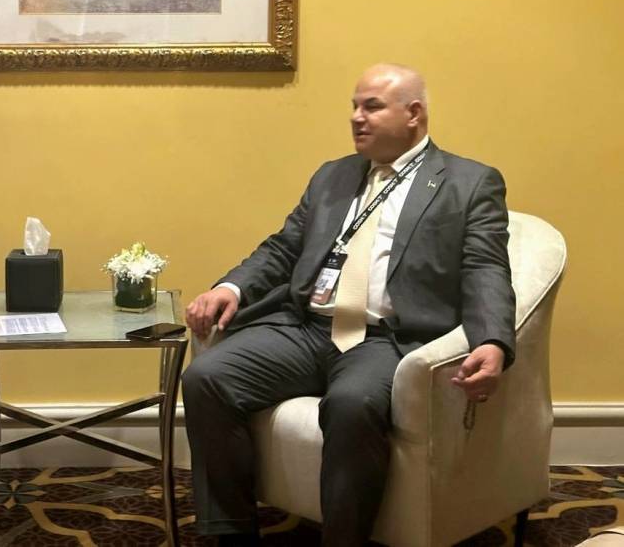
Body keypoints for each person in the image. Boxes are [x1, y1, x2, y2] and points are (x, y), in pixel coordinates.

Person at [182, 63, 515, 546]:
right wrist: (231, 288)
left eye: (372, 107)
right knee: (207, 377)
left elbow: (485, 268)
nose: (357, 117)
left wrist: (493, 341)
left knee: (352, 403)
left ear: (414, 113)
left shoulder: (469, 182)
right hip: (306, 329)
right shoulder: (333, 176)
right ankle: (230, 533)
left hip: (386, 339)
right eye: (355, 107)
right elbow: (284, 247)